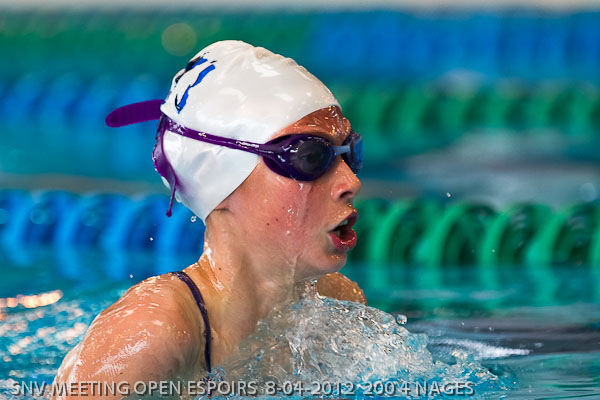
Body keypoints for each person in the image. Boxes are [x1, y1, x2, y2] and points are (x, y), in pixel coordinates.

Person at [53, 40, 365, 397]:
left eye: (350, 153)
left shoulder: (336, 305)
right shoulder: (148, 335)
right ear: (220, 179)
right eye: (311, 156)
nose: (351, 182)